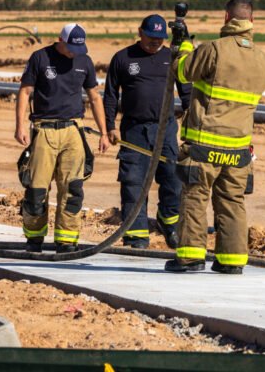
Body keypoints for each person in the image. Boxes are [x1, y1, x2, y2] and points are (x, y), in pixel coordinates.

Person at [164, 0, 265, 274]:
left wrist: (184, 45)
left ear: (226, 18)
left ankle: (189, 257)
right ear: (252, 21)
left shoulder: (215, 49)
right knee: (232, 200)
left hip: (206, 142)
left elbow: (183, 73)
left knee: (195, 196)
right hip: (239, 147)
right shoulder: (261, 59)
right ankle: (232, 261)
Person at [15, 23, 110, 253]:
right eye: (70, 48)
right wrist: (20, 126)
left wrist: (104, 133)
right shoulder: (40, 58)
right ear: (60, 40)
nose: (73, 53)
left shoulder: (84, 61)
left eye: (78, 48)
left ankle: (66, 241)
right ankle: (34, 239)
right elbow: (26, 92)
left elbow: (95, 98)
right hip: (44, 130)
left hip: (73, 131)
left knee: (72, 187)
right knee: (37, 188)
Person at [103, 14, 192, 249]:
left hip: (165, 129)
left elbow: (186, 89)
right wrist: (110, 126)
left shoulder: (171, 57)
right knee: (134, 183)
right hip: (134, 130)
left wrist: (190, 111)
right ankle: (136, 236)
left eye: (160, 38)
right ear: (140, 32)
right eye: (151, 37)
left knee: (174, 179)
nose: (155, 42)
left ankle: (169, 222)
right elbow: (111, 94)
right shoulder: (123, 58)